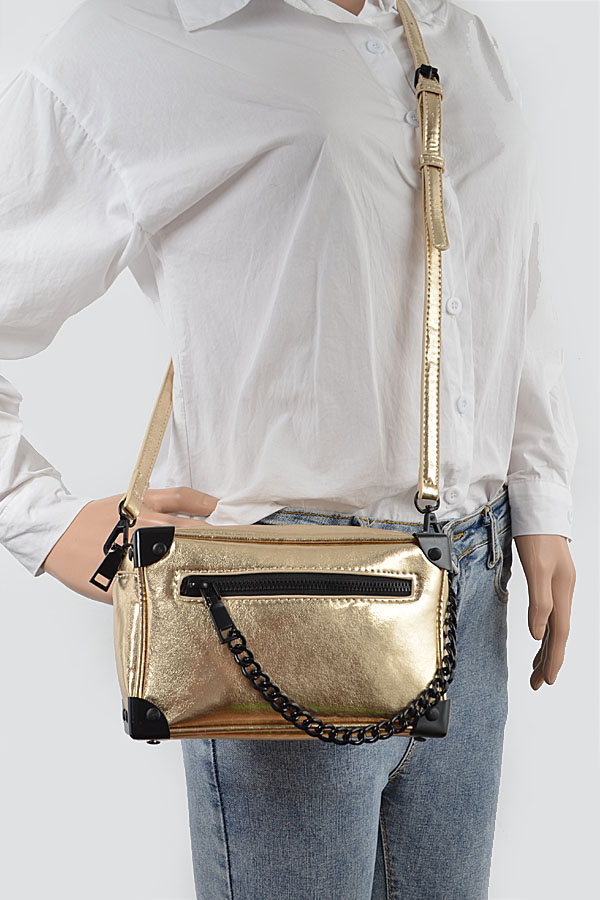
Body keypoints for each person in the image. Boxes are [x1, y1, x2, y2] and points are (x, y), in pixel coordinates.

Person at [0, 0, 577, 897]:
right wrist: (40, 520)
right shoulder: (134, 41)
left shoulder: (450, 28)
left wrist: (540, 494)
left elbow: (503, 272)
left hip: (475, 583)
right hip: (279, 611)